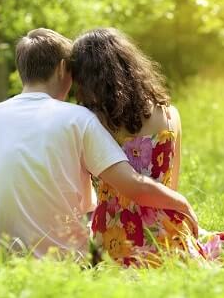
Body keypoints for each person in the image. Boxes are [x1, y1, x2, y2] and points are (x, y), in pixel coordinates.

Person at [0, 28, 198, 258]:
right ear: (63, 69)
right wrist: (182, 205)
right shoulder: (78, 119)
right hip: (67, 256)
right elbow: (135, 186)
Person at [70, 28, 205, 265]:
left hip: (114, 239)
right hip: (170, 234)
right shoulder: (170, 114)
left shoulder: (91, 121)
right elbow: (171, 186)